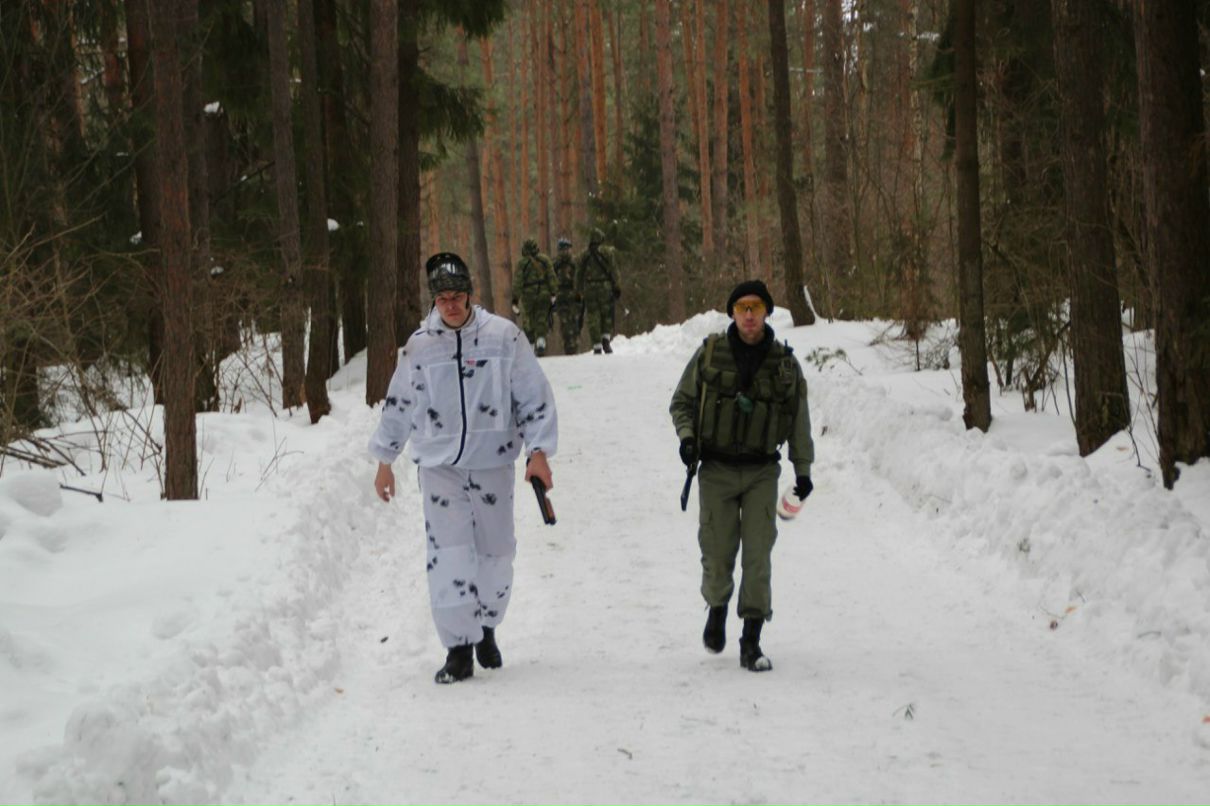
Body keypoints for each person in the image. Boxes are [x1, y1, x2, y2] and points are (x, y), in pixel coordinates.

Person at [370, 251, 558, 684]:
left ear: (470, 294)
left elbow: (533, 396)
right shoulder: (419, 346)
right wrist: (385, 460)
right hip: (440, 468)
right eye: (442, 299)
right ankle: (458, 648)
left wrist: (539, 451)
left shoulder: (503, 338)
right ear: (434, 302)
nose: (451, 305)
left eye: (457, 296)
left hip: (492, 462)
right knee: (449, 556)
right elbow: (399, 405)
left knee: (496, 554)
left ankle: (487, 626)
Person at [668, 279, 814, 673]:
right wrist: (687, 440)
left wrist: (803, 471)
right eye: (742, 308)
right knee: (717, 555)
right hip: (715, 470)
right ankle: (716, 607)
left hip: (761, 472)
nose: (749, 315)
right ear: (732, 313)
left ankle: (751, 639)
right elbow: (681, 402)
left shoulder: (785, 365)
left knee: (758, 556)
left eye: (756, 307)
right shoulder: (710, 354)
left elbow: (799, 422)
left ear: (767, 313)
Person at [574, 227, 621, 355]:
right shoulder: (607, 252)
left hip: (590, 288)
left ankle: (597, 344)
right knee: (607, 314)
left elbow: (579, 273)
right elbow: (614, 270)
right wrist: (617, 286)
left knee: (593, 316)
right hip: (605, 287)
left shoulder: (585, 255)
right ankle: (606, 338)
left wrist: (578, 291)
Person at [513, 238, 557, 356]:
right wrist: (553, 293)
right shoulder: (545, 260)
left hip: (528, 295)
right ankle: (541, 341)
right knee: (542, 317)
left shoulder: (522, 263)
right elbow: (552, 277)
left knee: (528, 318)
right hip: (544, 293)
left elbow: (518, 282)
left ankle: (531, 342)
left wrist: (515, 299)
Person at [551, 236, 582, 355]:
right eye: (564, 249)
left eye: (567, 249)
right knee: (566, 323)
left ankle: (572, 347)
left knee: (572, 322)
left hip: (571, 296)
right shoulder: (556, 264)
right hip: (563, 296)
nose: (566, 252)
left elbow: (578, 279)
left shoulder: (573, 263)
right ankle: (570, 348)